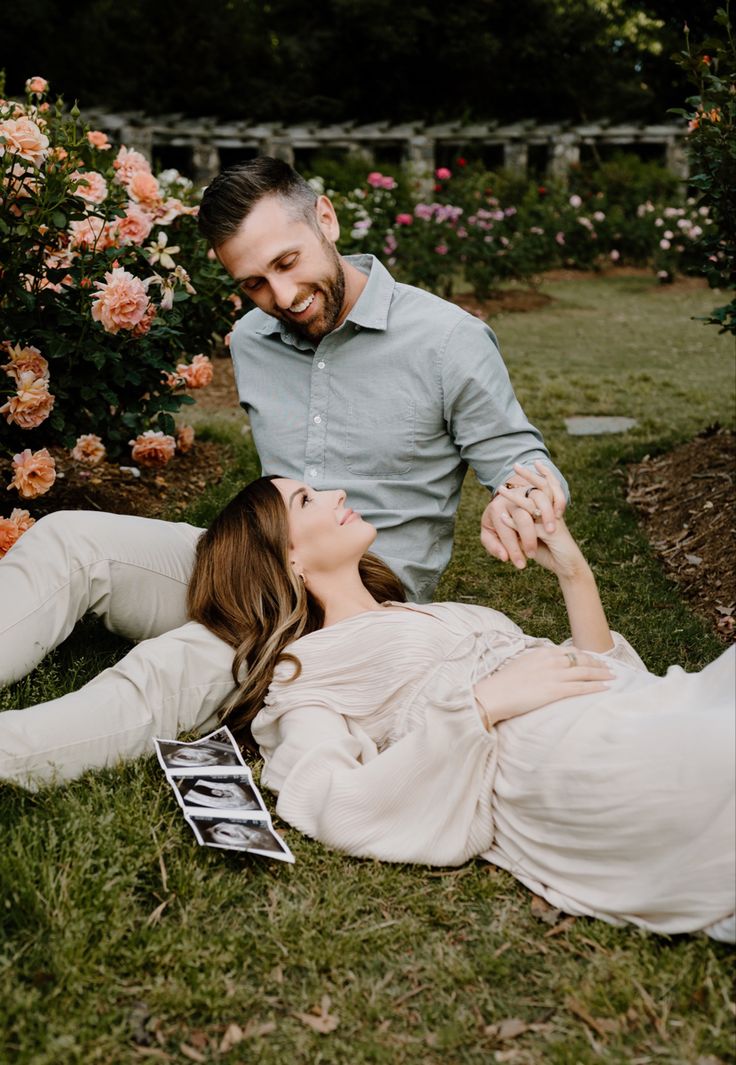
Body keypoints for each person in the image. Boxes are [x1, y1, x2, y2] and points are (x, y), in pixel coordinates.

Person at [0, 157, 566, 786]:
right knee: (68, 538)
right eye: (254, 284)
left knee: (172, 667)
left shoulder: (447, 340)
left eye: (288, 263)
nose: (283, 297)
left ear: (326, 217)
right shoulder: (252, 339)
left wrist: (520, 496)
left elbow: (521, 457)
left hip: (350, 603)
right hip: (252, 556)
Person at [185, 467, 735, 942]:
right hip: (547, 756)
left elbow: (603, 672)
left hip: (621, 704)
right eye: (307, 500)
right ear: (288, 559)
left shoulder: (424, 611)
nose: (337, 496)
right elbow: (331, 798)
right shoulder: (307, 671)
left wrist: (573, 570)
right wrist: (480, 705)